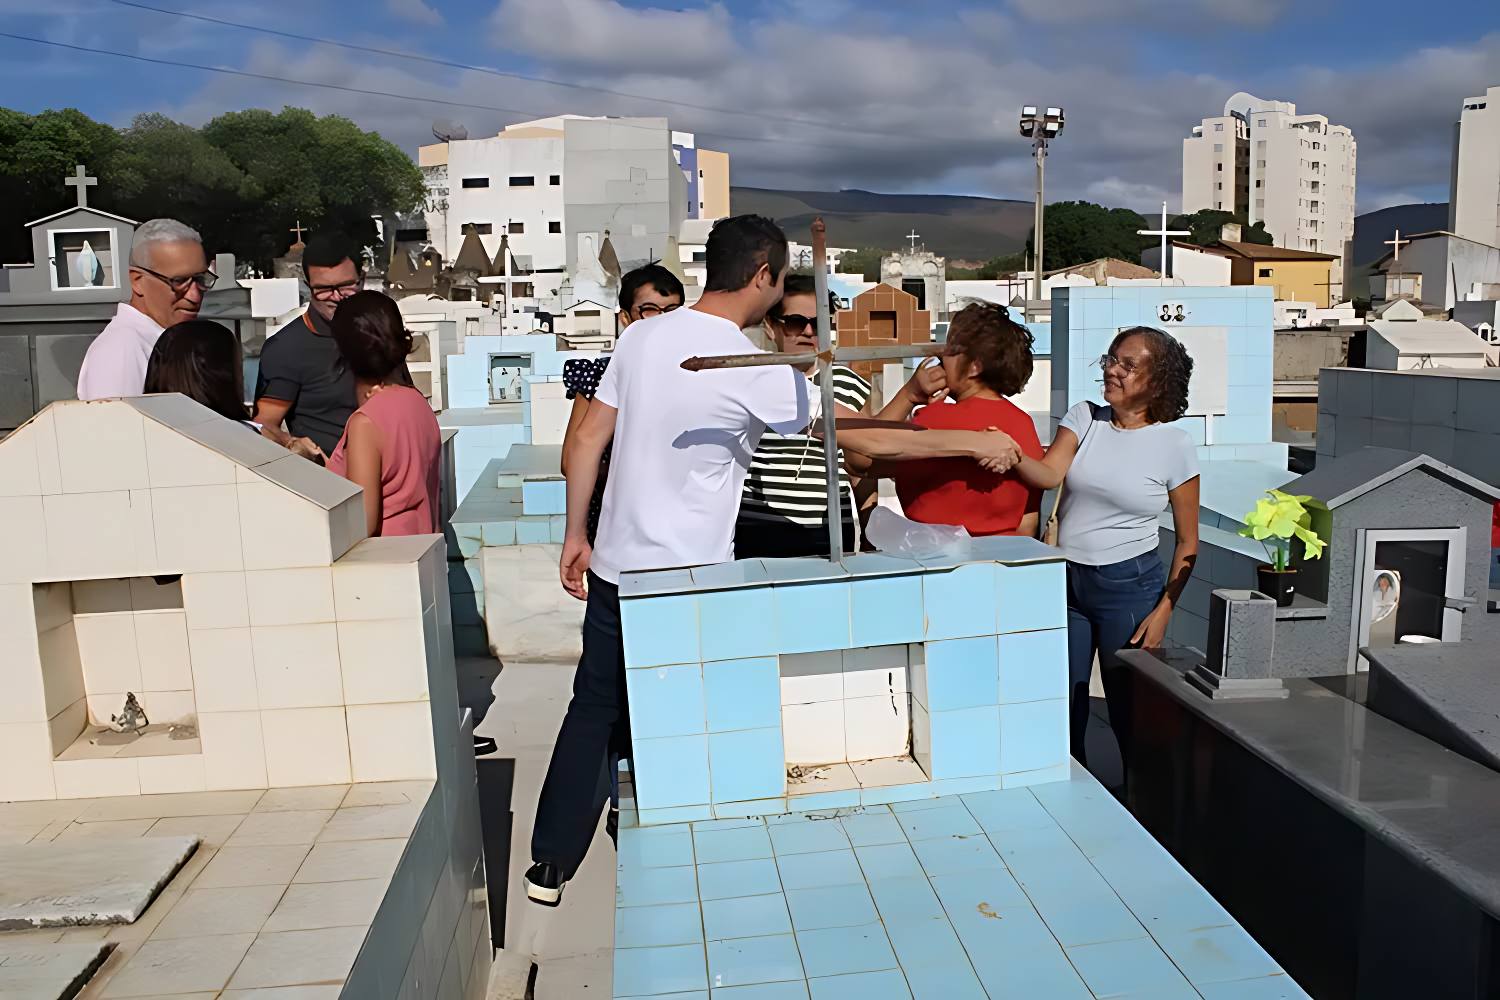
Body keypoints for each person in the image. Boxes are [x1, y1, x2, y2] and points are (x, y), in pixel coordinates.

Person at [525, 214, 1021, 905]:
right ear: (764, 277)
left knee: (595, 706)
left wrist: (576, 531)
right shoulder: (750, 364)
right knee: (687, 706)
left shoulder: (642, 335)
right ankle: (680, 848)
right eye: (782, 281)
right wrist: (964, 445)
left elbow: (585, 442)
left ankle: (550, 864)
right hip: (688, 579)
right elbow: (857, 442)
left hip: (616, 564)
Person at [1000, 326, 1200, 771]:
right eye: (1111, 359)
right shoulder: (1084, 417)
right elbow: (1048, 474)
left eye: (1128, 365)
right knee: (1063, 706)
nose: (1112, 370)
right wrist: (1009, 452)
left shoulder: (1174, 444)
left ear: (1157, 380)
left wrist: (1165, 610)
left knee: (1129, 710)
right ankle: (1071, 801)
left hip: (1128, 589)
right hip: (1066, 583)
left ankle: (1141, 810)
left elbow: (1188, 539)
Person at [870, 302, 1044, 537]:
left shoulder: (933, 419)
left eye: (952, 349)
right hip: (1005, 557)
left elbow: (861, 461)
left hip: (933, 556)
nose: (942, 355)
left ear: (974, 367)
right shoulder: (1023, 423)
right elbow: (1029, 516)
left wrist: (909, 394)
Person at [735, 274, 874, 557]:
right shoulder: (752, 382)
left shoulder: (851, 385)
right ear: (772, 327)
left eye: (820, 323)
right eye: (797, 322)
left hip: (829, 532)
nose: (809, 332)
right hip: (757, 531)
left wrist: (870, 531)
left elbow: (862, 467)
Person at [561, 263, 685, 545]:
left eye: (672, 311)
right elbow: (571, 459)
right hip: (612, 527)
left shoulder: (694, 374)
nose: (662, 321)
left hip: (677, 528)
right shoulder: (598, 376)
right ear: (626, 318)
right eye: (650, 310)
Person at [325, 292, 441, 538]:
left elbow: (361, 526)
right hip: (422, 559)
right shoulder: (418, 403)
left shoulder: (366, 423)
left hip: (387, 566)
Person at [142, 321, 322, 459]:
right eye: (237, 366)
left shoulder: (141, 439)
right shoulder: (249, 441)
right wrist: (299, 453)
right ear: (223, 377)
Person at [253, 233, 363, 458]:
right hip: (332, 481)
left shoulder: (380, 330)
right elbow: (263, 426)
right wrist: (292, 444)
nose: (336, 297)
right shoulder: (287, 348)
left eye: (346, 287)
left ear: (363, 279)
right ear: (307, 286)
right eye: (323, 289)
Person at [77, 219, 213, 400]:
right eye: (179, 281)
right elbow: (116, 426)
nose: (195, 296)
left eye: (201, 279)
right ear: (137, 281)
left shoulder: (165, 341)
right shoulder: (121, 349)